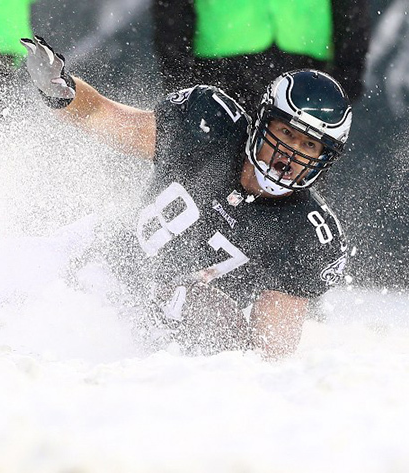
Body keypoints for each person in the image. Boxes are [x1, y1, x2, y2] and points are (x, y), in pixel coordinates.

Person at [20, 36, 351, 359]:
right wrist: (62, 92)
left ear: (325, 158)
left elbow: (268, 355)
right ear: (263, 122)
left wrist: (224, 327)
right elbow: (104, 116)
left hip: (168, 335)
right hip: (94, 263)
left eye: (309, 145)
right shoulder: (210, 125)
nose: (290, 154)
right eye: (286, 133)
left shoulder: (309, 233)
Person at [151, 0, 369, 110]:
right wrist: (178, 77)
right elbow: (171, 8)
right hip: (219, 65)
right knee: (209, 161)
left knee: (297, 168)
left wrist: (349, 69)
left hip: (306, 63)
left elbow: (351, 5)